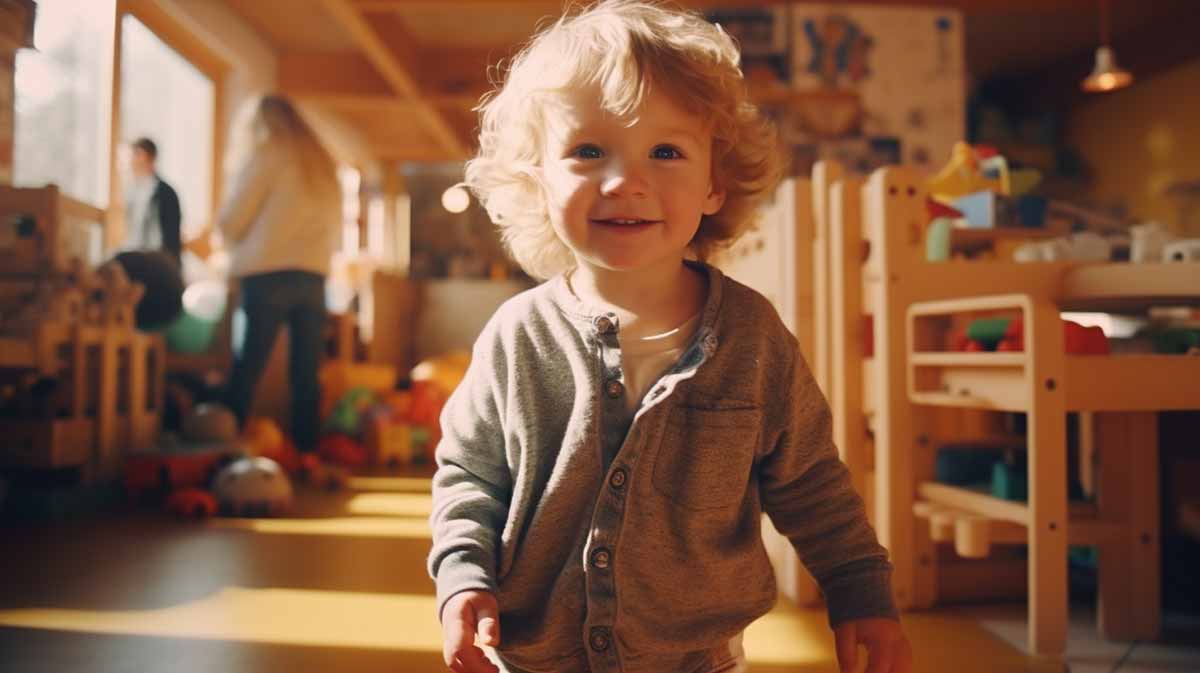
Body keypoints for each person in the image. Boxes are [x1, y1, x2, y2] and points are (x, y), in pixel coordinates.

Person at [427, 3, 913, 673]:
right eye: (588, 151)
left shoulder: (752, 336)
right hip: (535, 656)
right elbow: (470, 475)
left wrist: (860, 590)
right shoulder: (516, 335)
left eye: (665, 152)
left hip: (698, 659)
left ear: (715, 182)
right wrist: (461, 578)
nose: (626, 182)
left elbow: (810, 481)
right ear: (538, 177)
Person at [217, 95, 341, 454]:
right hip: (313, 276)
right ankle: (307, 454)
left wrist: (225, 239)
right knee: (306, 374)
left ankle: (226, 449)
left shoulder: (270, 153)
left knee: (248, 367)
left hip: (267, 273)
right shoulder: (323, 162)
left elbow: (233, 218)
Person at [122, 137, 182, 265]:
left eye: (136, 156)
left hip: (158, 263)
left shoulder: (166, 193)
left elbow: (170, 241)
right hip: (138, 257)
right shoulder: (131, 192)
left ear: (147, 158)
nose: (132, 162)